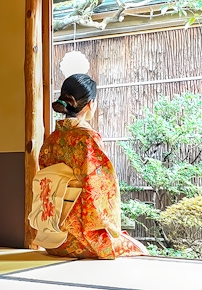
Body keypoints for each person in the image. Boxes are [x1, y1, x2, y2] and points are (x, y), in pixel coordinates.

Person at [37, 73, 148, 259]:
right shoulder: (87, 137)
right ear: (90, 104)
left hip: (54, 239)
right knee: (139, 249)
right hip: (84, 240)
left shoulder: (51, 140)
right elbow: (99, 186)